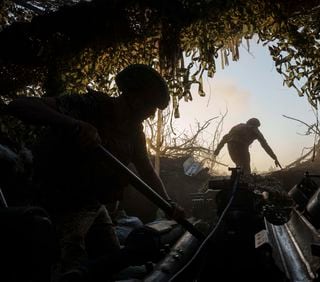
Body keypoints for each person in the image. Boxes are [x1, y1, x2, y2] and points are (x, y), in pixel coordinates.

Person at [5, 64, 185, 280]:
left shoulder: (134, 131)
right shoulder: (89, 106)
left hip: (94, 205)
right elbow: (19, 105)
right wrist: (74, 124)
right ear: (135, 99)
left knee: (113, 264)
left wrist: (168, 204)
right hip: (59, 204)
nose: (151, 115)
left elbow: (146, 170)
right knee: (69, 273)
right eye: (150, 107)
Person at [214, 118, 281, 175]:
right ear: (255, 125)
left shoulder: (238, 126)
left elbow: (225, 138)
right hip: (241, 147)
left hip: (231, 147)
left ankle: (237, 182)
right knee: (246, 169)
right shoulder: (254, 129)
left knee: (239, 166)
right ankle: (243, 185)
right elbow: (265, 145)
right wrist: (274, 157)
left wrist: (217, 150)